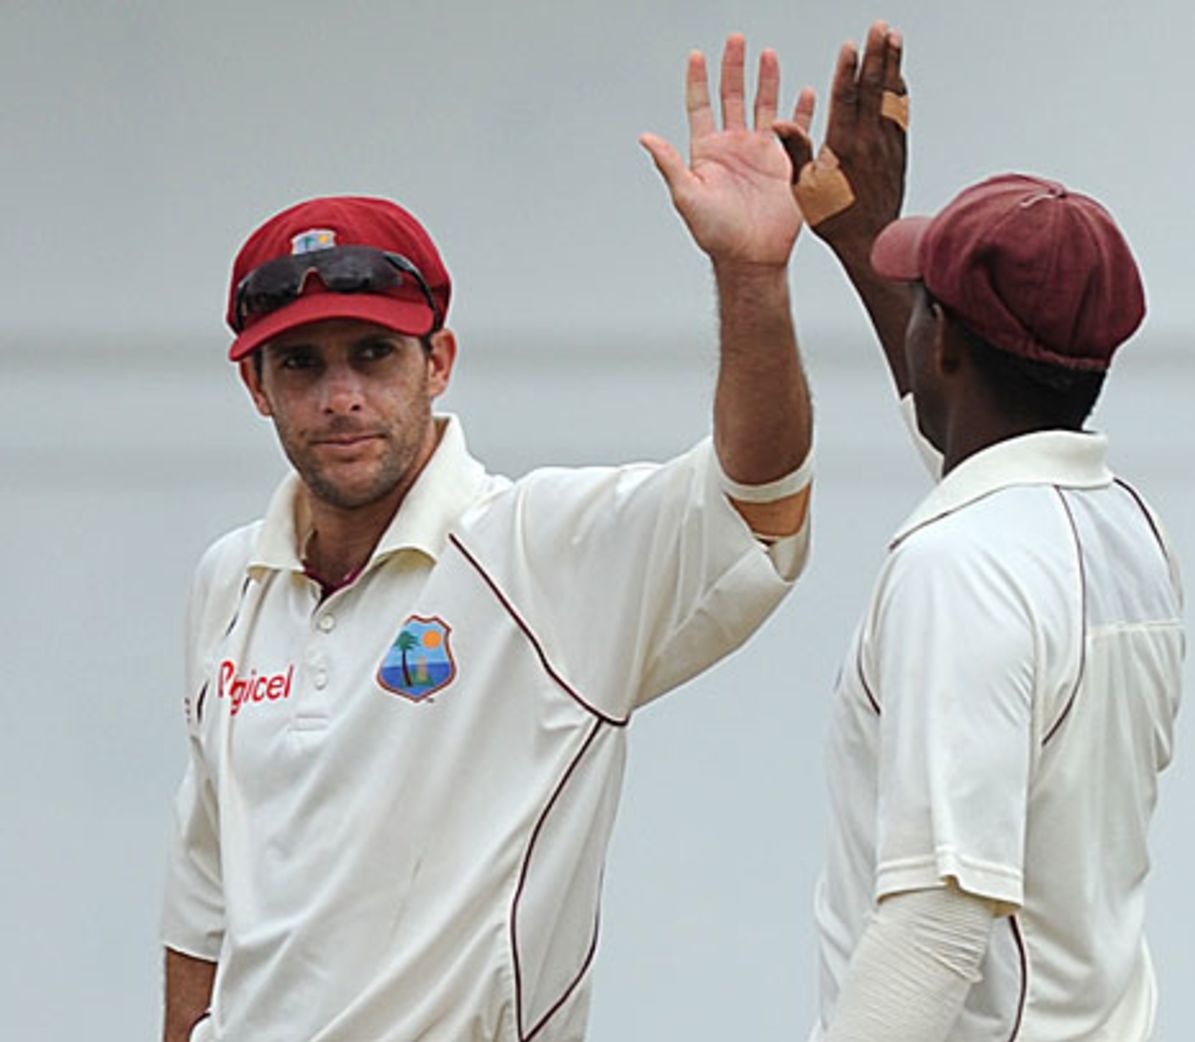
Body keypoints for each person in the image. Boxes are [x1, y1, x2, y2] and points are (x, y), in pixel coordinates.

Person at [161, 36, 818, 1042]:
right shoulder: (231, 581)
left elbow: (756, 498)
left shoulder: (538, 549)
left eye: (373, 354)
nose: (341, 396)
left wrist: (751, 275)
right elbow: (205, 895)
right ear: (256, 386)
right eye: (301, 364)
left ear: (440, 362)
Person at [774, 23, 1185, 1041]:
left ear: (946, 342)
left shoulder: (961, 566)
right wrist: (864, 240)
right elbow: (974, 461)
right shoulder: (1125, 530)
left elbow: (936, 926)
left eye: (924, 304)